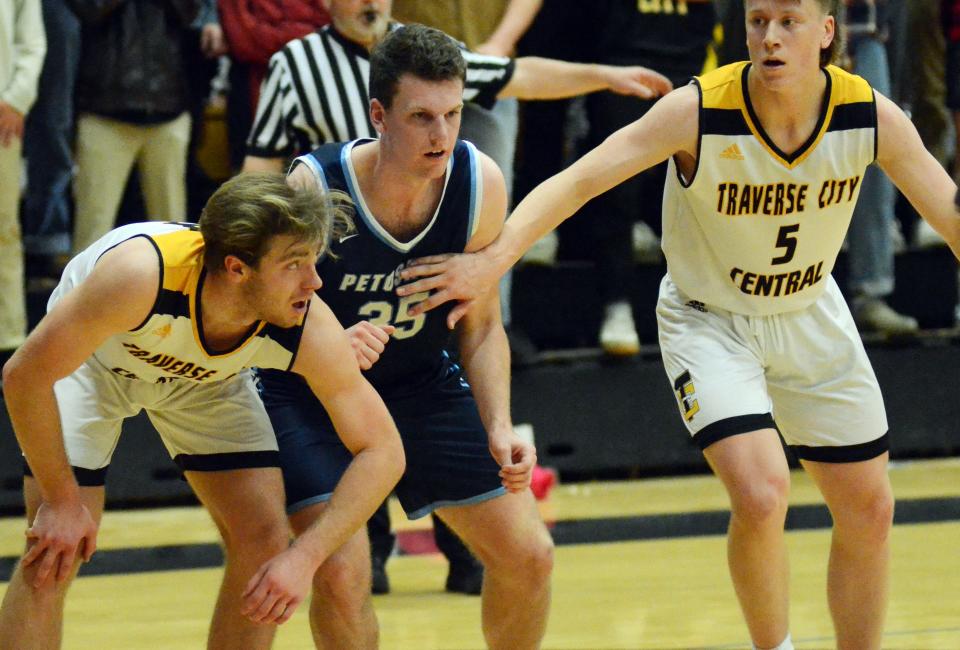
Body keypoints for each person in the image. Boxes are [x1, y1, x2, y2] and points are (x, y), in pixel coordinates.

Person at [396, 2, 960, 649]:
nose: (769, 38)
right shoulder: (699, 110)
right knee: (762, 492)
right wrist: (492, 259)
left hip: (809, 309)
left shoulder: (869, 115)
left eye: (788, 23)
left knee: (871, 508)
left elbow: (948, 216)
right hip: (709, 318)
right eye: (757, 21)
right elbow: (577, 181)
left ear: (827, 31)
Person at [0, 173, 405, 649]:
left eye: (312, 262)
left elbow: (384, 450)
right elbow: (23, 376)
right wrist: (62, 499)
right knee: (54, 552)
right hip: (94, 364)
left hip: (205, 380)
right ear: (236, 268)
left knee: (265, 538)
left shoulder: (307, 322)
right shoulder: (139, 276)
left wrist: (305, 558)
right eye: (295, 264)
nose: (314, 282)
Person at [258, 24, 554, 650]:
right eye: (422, 117)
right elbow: (266, 316)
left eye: (452, 114)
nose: (442, 134)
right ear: (379, 115)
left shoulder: (480, 185)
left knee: (530, 556)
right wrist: (330, 345)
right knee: (341, 574)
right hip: (313, 397)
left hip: (419, 385)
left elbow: (481, 326)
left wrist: (498, 422)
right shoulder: (315, 187)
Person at [242, 0, 672, 174]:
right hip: (329, 239)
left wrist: (603, 75)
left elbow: (518, 75)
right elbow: (260, 167)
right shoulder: (295, 63)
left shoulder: (421, 51)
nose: (370, 2)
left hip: (411, 233)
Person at [0, 0, 46, 374]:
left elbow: (32, 42)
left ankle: (7, 338)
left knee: (3, 228)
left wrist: (17, 98)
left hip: (1, 116)